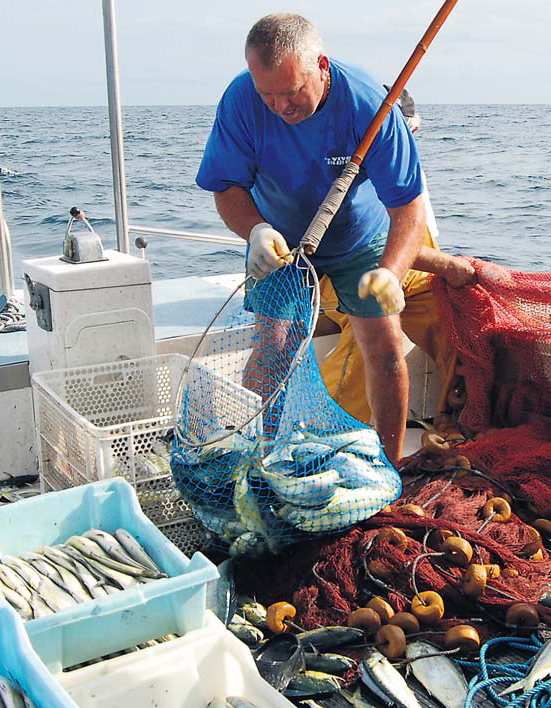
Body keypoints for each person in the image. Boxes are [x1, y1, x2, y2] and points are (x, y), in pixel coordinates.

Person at [196, 13, 470, 462]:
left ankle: (389, 465)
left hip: (357, 238)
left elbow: (409, 207)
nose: (281, 107)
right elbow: (226, 186)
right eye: (268, 95)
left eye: (291, 91)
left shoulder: (369, 105)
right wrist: (256, 231)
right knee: (272, 346)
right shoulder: (241, 99)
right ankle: (260, 458)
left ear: (321, 66)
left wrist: (391, 272)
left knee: (383, 347)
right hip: (279, 240)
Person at [318, 85, 473, 427]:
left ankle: (453, 418)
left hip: (412, 275)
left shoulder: (408, 165)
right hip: (352, 275)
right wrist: (448, 266)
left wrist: (446, 272)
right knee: (370, 333)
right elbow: (372, 247)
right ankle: (325, 430)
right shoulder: (351, 167)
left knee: (455, 324)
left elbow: (420, 237)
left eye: (405, 129)